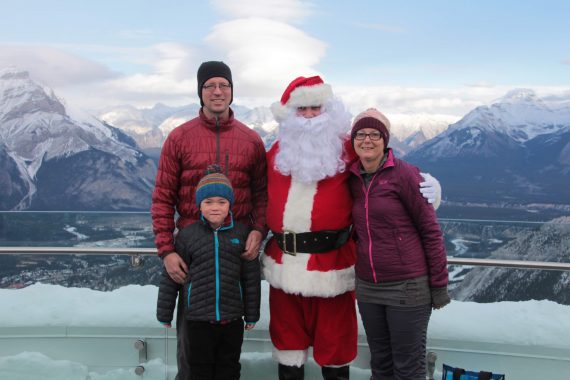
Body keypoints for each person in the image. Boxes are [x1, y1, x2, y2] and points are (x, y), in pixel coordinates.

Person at [262, 76, 442, 380]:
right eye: (301, 108)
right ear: (288, 115)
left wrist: (428, 185)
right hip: (285, 264)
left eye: (315, 107)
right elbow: (254, 195)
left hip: (332, 266)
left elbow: (386, 168)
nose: (308, 115)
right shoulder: (276, 153)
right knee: (287, 347)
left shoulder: (347, 147)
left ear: (328, 110)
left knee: (335, 350)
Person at [151, 61, 267, 380]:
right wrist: (167, 250)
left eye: (224, 85)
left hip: (235, 252)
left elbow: (261, 194)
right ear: (200, 92)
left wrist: (259, 229)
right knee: (192, 356)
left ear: (232, 91)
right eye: (209, 86)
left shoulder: (251, 140)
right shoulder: (179, 138)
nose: (217, 91)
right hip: (192, 255)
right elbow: (162, 198)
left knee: (229, 357)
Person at [348, 108, 450, 380]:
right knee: (380, 364)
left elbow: (430, 231)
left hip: (407, 287)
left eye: (374, 134)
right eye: (360, 134)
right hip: (368, 287)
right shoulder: (353, 178)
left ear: (385, 140)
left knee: (408, 367)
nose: (367, 140)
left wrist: (439, 284)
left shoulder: (405, 175)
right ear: (353, 139)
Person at [156, 166, 261, 380]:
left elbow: (251, 279)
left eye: (221, 202)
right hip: (197, 320)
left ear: (230, 204)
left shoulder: (242, 235)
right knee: (197, 369)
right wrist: (164, 313)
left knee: (229, 368)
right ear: (199, 205)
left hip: (232, 319)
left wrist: (251, 314)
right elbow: (171, 277)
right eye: (208, 202)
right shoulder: (187, 236)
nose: (215, 208)